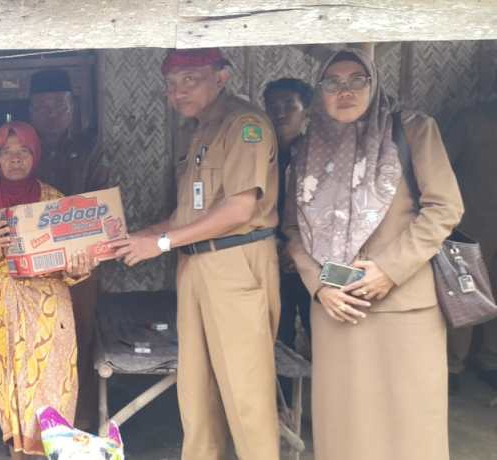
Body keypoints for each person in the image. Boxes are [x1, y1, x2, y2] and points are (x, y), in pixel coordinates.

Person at [283, 48, 463, 460]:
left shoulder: (413, 130)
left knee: (409, 424)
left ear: (374, 82)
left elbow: (445, 207)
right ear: (320, 92)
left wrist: (389, 270)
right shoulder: (307, 147)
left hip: (402, 307)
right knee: (346, 426)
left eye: (356, 81)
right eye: (333, 83)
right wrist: (319, 287)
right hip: (336, 308)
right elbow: (292, 230)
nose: (344, 92)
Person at [112, 48, 282, 459]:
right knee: (196, 388)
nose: (178, 92)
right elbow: (187, 213)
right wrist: (139, 235)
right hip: (196, 266)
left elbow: (240, 209)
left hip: (236, 264)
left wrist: (162, 244)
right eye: (171, 84)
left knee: (246, 392)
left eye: (191, 79)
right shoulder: (198, 132)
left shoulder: (246, 125)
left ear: (221, 77)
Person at [0, 121, 97, 460]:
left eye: (23, 151)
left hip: (49, 306)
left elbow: (69, 266)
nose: (15, 159)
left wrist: (78, 271)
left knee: (52, 380)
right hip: (3, 307)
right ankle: (18, 454)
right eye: (7, 152)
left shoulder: (54, 198)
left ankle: (51, 452)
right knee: (9, 382)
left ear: (35, 154)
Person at [27, 68, 111, 430]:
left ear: (72, 108)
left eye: (58, 106)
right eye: (43, 107)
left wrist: (80, 249)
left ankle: (84, 421)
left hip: (82, 265)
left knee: (81, 336)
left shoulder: (90, 149)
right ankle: (40, 423)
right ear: (31, 110)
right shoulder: (22, 149)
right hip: (33, 269)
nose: (51, 114)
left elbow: (103, 206)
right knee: (36, 342)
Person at [263, 78, 314, 399]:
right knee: (277, 335)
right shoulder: (259, 154)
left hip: (311, 260)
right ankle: (279, 404)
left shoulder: (318, 155)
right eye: (274, 106)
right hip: (269, 255)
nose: (280, 113)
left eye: (289, 106)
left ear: (305, 110)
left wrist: (300, 249)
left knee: (319, 332)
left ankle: (324, 405)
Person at [443, 90, 497, 394]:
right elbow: (440, 168)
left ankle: (490, 359)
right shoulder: (470, 121)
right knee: (464, 298)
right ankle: (453, 364)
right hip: (469, 228)